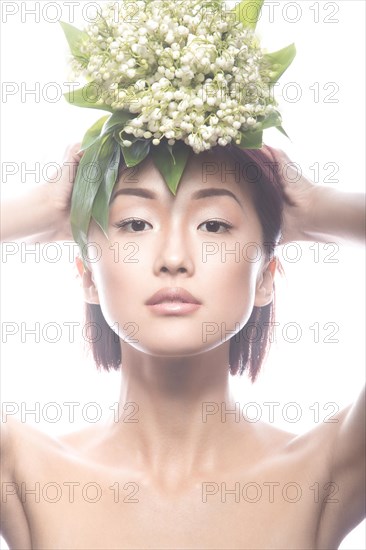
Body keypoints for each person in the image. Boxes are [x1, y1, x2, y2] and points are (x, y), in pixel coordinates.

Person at [0, 140, 364, 549]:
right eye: (136, 223)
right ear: (87, 276)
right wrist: (40, 208)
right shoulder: (22, 468)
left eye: (213, 225)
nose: (173, 257)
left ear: (265, 278)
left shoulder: (323, 470)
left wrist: (318, 210)